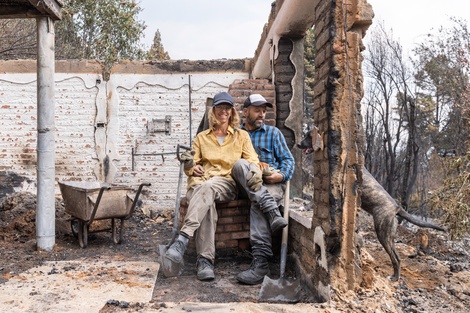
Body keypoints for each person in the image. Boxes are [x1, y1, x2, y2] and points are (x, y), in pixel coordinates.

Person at [163, 91, 287, 281]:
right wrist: (191, 166)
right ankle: (205, 262)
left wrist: (255, 170)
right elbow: (191, 163)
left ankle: (182, 240)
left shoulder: (241, 136)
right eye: (220, 107)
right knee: (207, 202)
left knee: (210, 188)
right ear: (213, 111)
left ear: (232, 112)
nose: (223, 111)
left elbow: (252, 159)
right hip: (200, 184)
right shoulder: (201, 138)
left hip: (225, 184)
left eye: (227, 108)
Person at [231, 93, 295, 285]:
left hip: (271, 184)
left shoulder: (273, 133)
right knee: (241, 164)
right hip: (245, 184)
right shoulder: (236, 135)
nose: (261, 114)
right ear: (245, 112)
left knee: (259, 201)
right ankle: (272, 211)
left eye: (264, 111)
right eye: (257, 110)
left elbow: (288, 160)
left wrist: (281, 176)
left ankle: (260, 263)